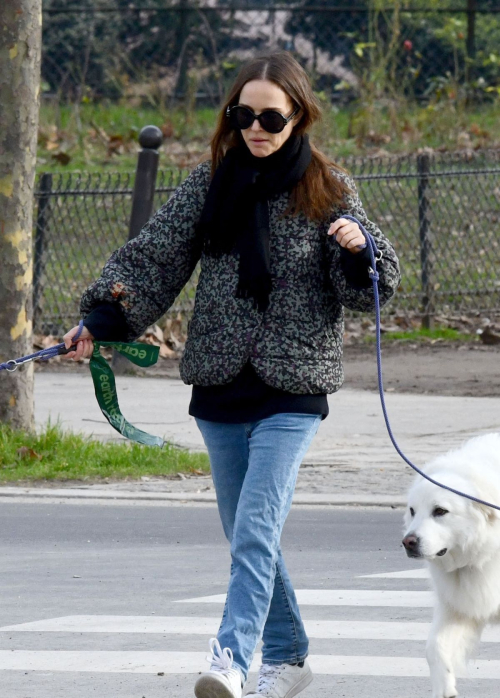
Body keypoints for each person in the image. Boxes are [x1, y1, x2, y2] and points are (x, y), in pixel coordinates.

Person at [63, 51, 400, 698]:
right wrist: (103, 317)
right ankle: (290, 655)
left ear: (298, 115)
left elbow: (373, 286)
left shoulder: (329, 188)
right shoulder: (208, 183)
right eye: (242, 114)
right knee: (246, 532)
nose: (256, 127)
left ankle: (229, 659)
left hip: (293, 385)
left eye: (271, 116)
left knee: (254, 528)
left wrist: (361, 252)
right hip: (219, 379)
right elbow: (156, 256)